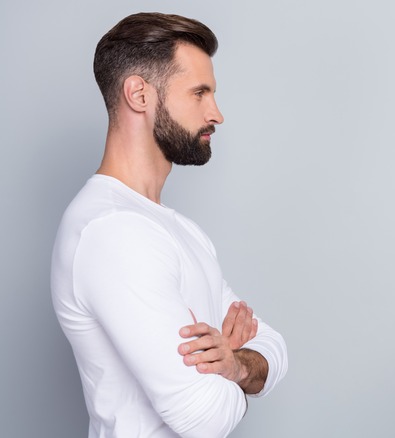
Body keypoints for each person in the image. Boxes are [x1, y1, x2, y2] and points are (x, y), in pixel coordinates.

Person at [50, 12, 288, 437]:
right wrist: (237, 368)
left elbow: (274, 351)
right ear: (139, 94)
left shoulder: (176, 229)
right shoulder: (112, 231)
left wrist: (235, 362)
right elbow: (205, 417)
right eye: (199, 93)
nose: (216, 113)